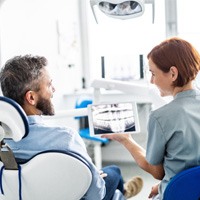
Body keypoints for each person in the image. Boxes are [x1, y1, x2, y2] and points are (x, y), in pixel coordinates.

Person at [0, 55, 143, 200]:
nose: (54, 90)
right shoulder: (66, 138)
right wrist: (94, 178)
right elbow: (96, 195)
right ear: (31, 98)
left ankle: (122, 192)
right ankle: (122, 193)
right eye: (49, 85)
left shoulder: (3, 143)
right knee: (114, 172)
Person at [101, 37, 200, 199]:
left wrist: (126, 139)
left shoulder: (161, 117)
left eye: (153, 73)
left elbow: (157, 171)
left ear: (173, 73)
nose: (152, 80)